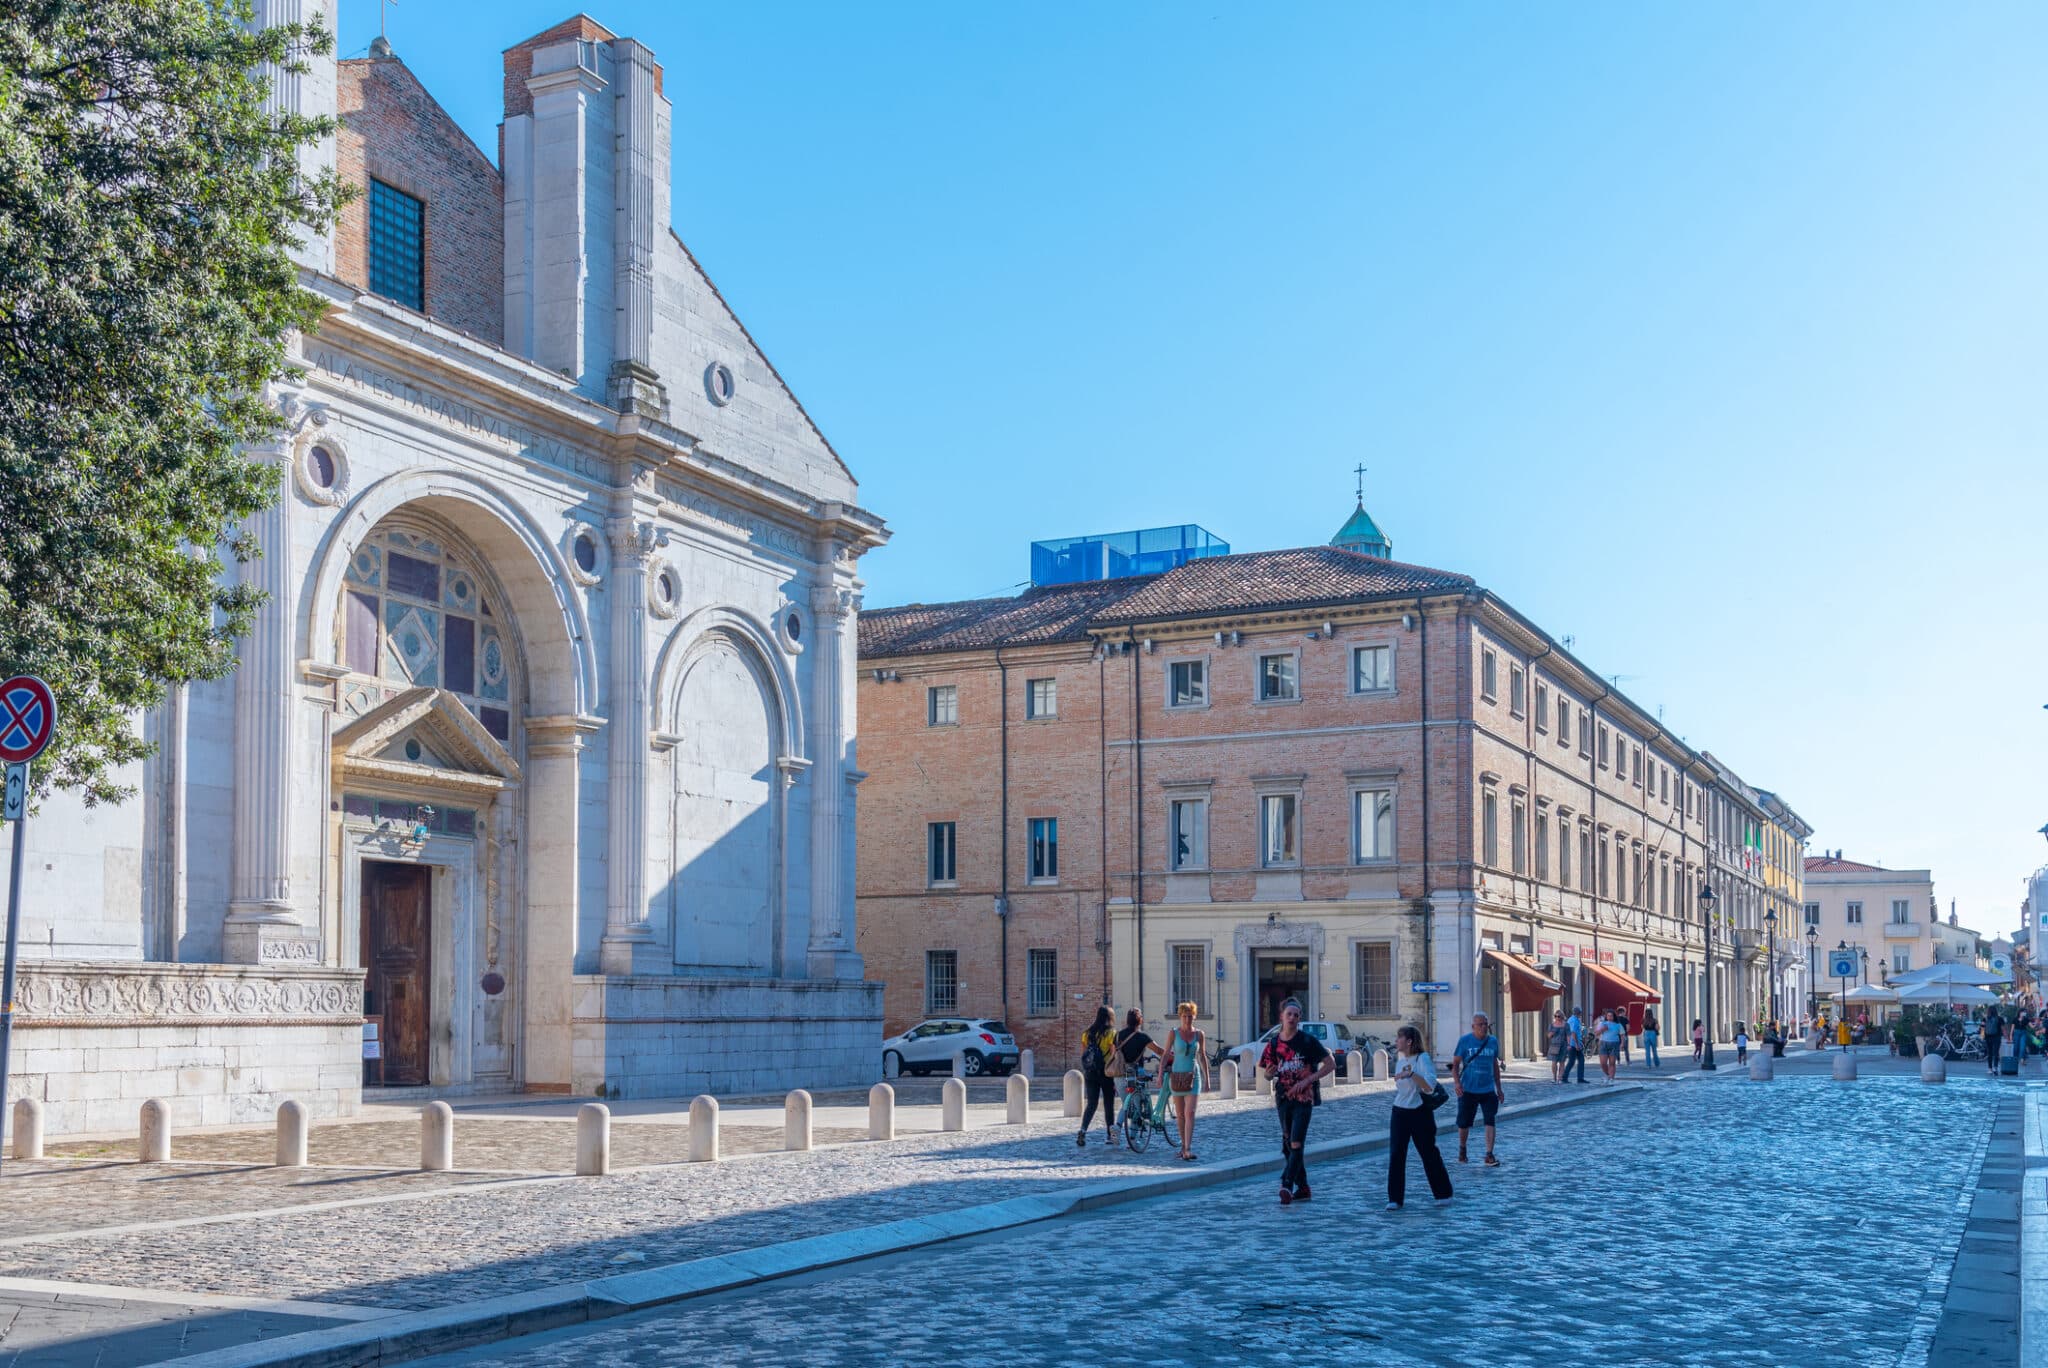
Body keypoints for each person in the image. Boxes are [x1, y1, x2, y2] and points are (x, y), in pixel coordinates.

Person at [1259, 998, 1335, 1203]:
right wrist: (1269, 1073)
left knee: (1296, 1141)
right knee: (1287, 1145)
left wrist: (1309, 1079)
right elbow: (1267, 1075)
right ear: (1282, 1017)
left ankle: (1286, 1184)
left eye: (1296, 1015)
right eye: (1289, 1014)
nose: (1292, 1018)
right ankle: (1303, 1188)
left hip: (1304, 1097)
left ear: (1299, 1018)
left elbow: (1330, 1064)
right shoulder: (1273, 1043)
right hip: (1283, 1097)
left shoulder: (1308, 1041)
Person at [1385, 1024, 1453, 1210]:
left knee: (1428, 1152)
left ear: (1409, 1041)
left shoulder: (1422, 1059)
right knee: (1396, 1154)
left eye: (1399, 1037)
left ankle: (1443, 1193)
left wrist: (1412, 1074)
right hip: (1399, 1111)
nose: (1396, 1041)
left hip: (1420, 1112)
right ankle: (1395, 1199)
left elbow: (1429, 1087)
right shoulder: (1400, 1059)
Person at [1452, 1012, 1505, 1167]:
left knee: (1490, 1119)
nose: (1484, 1027)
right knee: (1464, 1123)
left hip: (1488, 1089)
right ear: (1473, 1026)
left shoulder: (1493, 1041)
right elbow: (1454, 1065)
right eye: (1480, 1024)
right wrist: (1457, 1083)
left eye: (1486, 1024)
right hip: (1468, 1089)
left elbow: (1495, 1065)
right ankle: (1462, 1149)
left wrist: (1499, 1088)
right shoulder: (1465, 1041)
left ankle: (1489, 1154)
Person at [1164, 1000, 1214, 1163]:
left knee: (1190, 1112)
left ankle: (1188, 1148)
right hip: (1177, 1076)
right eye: (1185, 1016)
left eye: (1190, 1016)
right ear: (1180, 1016)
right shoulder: (1173, 1033)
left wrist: (1208, 1079)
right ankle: (1182, 1146)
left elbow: (1203, 1056)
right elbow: (1165, 1054)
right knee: (1180, 1115)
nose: (1187, 1019)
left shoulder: (1199, 1034)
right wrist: (1159, 1075)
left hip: (1194, 1076)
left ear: (1194, 1016)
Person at [1077, 1006, 1118, 1147]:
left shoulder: (1087, 1033)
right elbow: (1113, 1054)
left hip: (1090, 1073)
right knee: (1108, 1104)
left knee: (1091, 1104)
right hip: (1106, 1073)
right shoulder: (1112, 1033)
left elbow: (1084, 1054)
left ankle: (1082, 1130)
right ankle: (1110, 1136)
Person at [1596, 1009, 1624, 1082]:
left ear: (1614, 1016)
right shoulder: (1602, 1023)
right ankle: (1608, 1074)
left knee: (1612, 1063)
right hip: (1603, 1043)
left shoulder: (1618, 1025)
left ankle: (1611, 1078)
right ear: (1606, 1016)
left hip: (1614, 1043)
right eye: (1608, 1015)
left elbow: (1622, 1035)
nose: (1609, 1017)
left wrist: (1622, 1044)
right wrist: (1602, 1029)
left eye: (1611, 1016)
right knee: (1603, 1063)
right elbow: (1596, 1033)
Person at [1562, 1008, 1587, 1084]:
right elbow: (1573, 1033)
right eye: (1580, 1013)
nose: (1581, 1014)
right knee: (1572, 1061)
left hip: (1575, 1043)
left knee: (1579, 1060)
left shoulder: (1573, 1019)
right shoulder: (1574, 1020)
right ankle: (1565, 1077)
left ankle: (1580, 1078)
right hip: (1573, 1044)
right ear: (1579, 1013)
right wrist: (1577, 1044)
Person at [1547, 1010, 1571, 1083]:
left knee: (1562, 1062)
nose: (1557, 1018)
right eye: (1555, 1016)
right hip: (1554, 1045)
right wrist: (1552, 1033)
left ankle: (1559, 1078)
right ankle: (1554, 1077)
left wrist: (1569, 1045)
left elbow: (1568, 1035)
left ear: (1562, 1017)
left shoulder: (1566, 1025)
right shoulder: (1551, 1025)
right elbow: (1548, 1036)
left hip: (1563, 1045)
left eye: (1558, 1016)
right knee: (1554, 1062)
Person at [1984, 1010, 2004, 1076]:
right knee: (1996, 1053)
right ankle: (1995, 1068)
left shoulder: (1986, 1018)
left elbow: (1982, 1027)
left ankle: (1990, 1069)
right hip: (1997, 1037)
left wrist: (1982, 1036)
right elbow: (2003, 1028)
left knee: (1989, 1053)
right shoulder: (1999, 1018)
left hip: (1988, 1037)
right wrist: (2007, 1037)